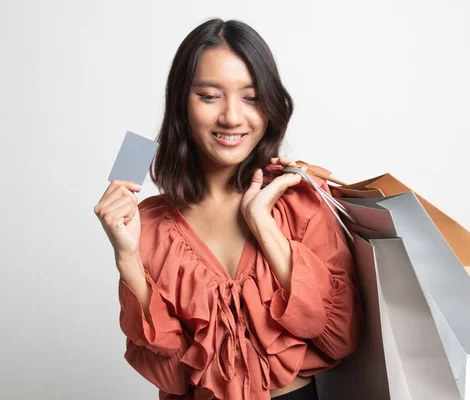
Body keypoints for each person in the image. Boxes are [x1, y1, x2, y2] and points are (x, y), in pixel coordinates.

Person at [94, 18, 362, 400]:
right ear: (181, 104)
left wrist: (264, 227)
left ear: (270, 105)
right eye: (209, 96)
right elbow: (168, 372)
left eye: (251, 97)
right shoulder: (148, 223)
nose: (232, 117)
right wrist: (127, 258)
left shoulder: (301, 200)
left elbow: (338, 337)